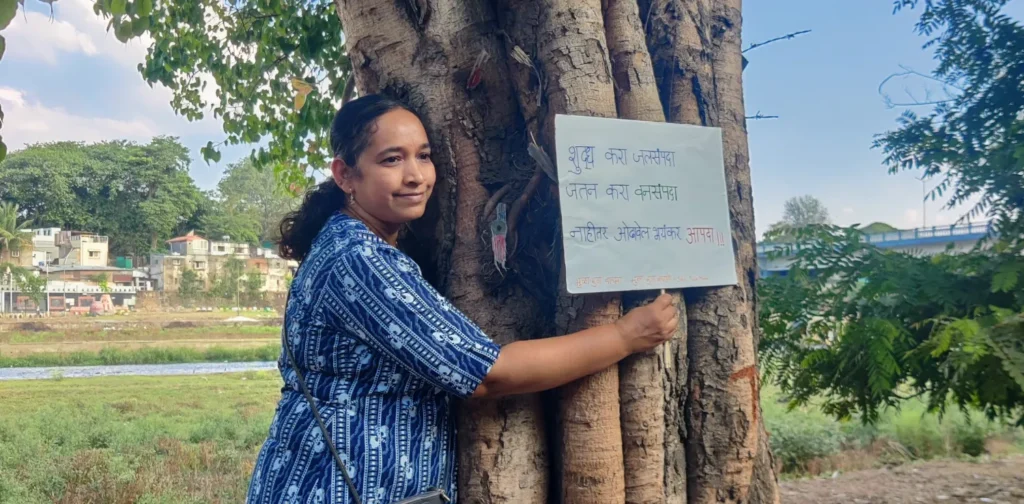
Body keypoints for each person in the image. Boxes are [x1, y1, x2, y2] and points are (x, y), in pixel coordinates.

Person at [246, 95, 678, 504]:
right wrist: (627, 335)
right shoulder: (360, 259)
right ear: (344, 175)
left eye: (424, 155)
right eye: (391, 159)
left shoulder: (348, 243)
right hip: (339, 486)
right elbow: (487, 375)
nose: (416, 175)